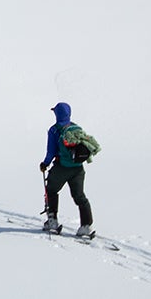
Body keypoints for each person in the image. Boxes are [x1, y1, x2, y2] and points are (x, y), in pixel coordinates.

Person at [40, 101, 95, 239]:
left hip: (62, 168)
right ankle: (86, 226)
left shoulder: (54, 130)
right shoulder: (76, 128)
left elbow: (51, 152)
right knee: (80, 196)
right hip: (78, 168)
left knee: (51, 190)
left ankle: (52, 222)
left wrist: (45, 164)